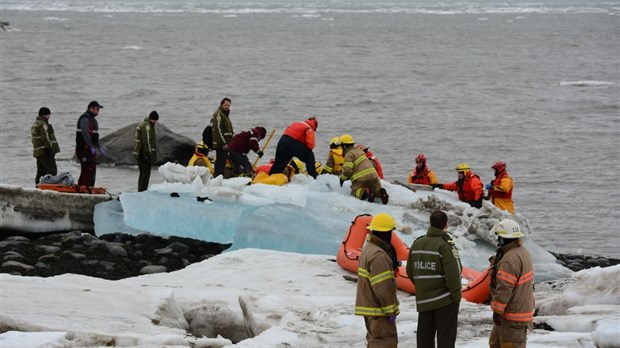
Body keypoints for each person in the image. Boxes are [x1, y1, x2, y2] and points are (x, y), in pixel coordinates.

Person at [406, 210, 462, 348]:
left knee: (424, 342)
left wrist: (424, 288)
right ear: (445, 225)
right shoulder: (445, 246)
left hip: (424, 301)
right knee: (446, 342)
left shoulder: (417, 244)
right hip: (445, 302)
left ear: (430, 223)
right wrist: (456, 297)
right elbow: (454, 275)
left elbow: (410, 272)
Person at [355, 213, 400, 347]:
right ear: (387, 233)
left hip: (370, 308)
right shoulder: (379, 256)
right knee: (384, 342)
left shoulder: (368, 248)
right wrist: (391, 310)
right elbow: (383, 287)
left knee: (374, 342)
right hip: (379, 311)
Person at [489, 219, 534, 348]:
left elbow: (504, 289)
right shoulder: (522, 252)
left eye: (499, 237)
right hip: (514, 313)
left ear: (503, 239)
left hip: (512, 317)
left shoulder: (509, 259)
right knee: (495, 343)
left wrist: (497, 311)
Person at [339, 134, 389, 204]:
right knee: (375, 188)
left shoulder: (349, 155)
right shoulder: (360, 151)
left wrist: (342, 179)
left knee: (355, 190)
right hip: (374, 176)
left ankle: (365, 193)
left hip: (361, 179)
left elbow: (347, 171)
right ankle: (380, 192)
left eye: (341, 146)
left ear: (344, 146)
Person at [75, 100, 104, 186]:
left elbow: (95, 136)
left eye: (99, 109)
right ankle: (85, 188)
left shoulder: (94, 121)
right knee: (88, 169)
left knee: (90, 169)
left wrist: (99, 147)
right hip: (84, 149)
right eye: (97, 109)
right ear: (91, 108)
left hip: (90, 150)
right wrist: (91, 146)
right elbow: (85, 133)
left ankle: (86, 187)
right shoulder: (85, 118)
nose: (98, 110)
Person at [31, 107, 60, 185]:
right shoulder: (43, 124)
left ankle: (38, 188)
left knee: (41, 171)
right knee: (52, 170)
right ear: (45, 115)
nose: (49, 117)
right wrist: (50, 149)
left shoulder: (35, 123)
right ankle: (50, 187)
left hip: (38, 152)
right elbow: (45, 137)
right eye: (48, 115)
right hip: (45, 151)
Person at [132, 111, 159, 192]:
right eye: (155, 120)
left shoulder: (143, 124)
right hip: (143, 153)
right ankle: (142, 191)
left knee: (142, 173)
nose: (156, 122)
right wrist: (149, 154)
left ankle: (140, 190)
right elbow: (146, 141)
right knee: (146, 173)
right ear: (152, 119)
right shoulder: (147, 126)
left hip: (139, 152)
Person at [210, 97, 233, 178]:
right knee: (220, 161)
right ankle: (217, 177)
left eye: (228, 105)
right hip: (221, 144)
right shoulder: (219, 114)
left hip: (226, 143)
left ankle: (220, 176)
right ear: (221, 104)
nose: (227, 107)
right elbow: (218, 130)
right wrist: (223, 143)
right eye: (225, 105)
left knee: (223, 161)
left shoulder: (225, 115)